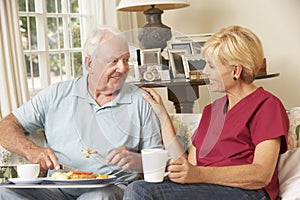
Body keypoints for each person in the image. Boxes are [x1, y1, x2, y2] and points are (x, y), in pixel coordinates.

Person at [124, 25, 289, 200]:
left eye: (211, 66)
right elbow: (190, 166)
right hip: (205, 189)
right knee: (138, 187)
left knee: (140, 191)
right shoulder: (212, 111)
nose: (205, 72)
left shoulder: (266, 105)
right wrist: (162, 115)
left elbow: (261, 174)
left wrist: (199, 175)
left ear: (235, 70)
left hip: (247, 193)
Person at [0, 26, 162, 200]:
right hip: (56, 189)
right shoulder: (56, 94)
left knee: (98, 197)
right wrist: (32, 151)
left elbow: (158, 163)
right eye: (113, 61)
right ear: (90, 63)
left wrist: (136, 160)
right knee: (6, 192)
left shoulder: (141, 101)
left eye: (126, 60)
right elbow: (6, 126)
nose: (123, 68)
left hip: (110, 189)